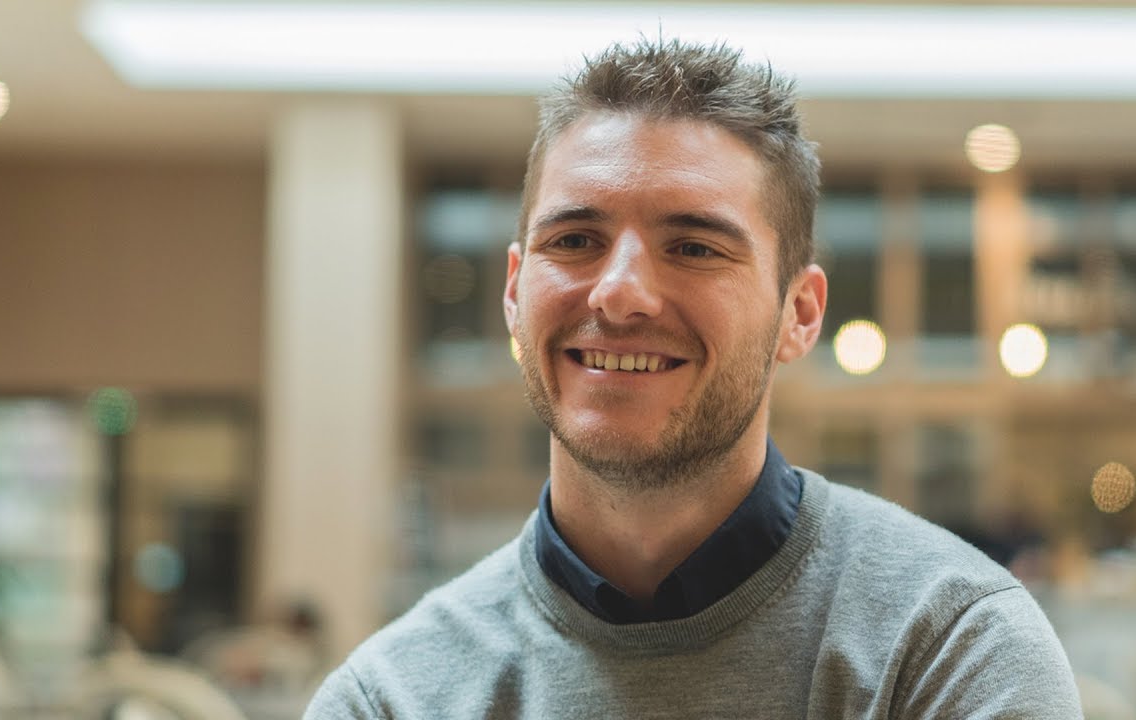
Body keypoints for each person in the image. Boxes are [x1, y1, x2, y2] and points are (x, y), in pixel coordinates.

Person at [305, 38, 1082, 719]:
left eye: (694, 248)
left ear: (800, 313)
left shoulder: (949, 649)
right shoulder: (393, 697)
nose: (618, 292)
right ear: (514, 293)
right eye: (574, 240)